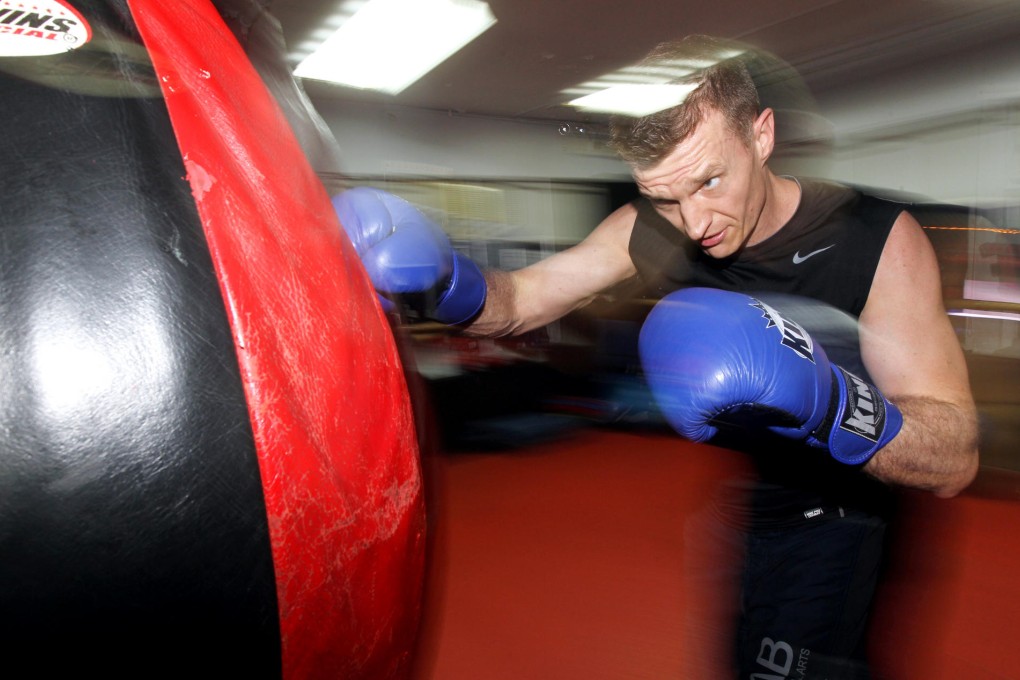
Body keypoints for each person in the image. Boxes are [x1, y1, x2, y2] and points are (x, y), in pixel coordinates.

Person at [333, 35, 979, 677]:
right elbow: (522, 300)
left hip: (850, 522)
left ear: (762, 135)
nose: (695, 221)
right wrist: (445, 280)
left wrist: (830, 400)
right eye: (665, 195)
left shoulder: (876, 241)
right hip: (756, 512)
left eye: (709, 180)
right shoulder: (654, 228)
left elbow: (954, 458)